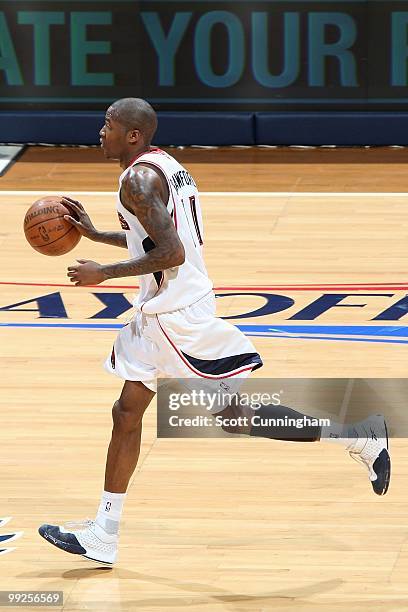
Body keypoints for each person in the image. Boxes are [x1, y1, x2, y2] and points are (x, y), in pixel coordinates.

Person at [38, 98, 391, 566]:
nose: (99, 131)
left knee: (235, 416)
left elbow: (172, 252)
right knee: (126, 412)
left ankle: (358, 436)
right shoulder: (163, 165)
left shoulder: (137, 180)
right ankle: (104, 532)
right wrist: (95, 234)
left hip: (176, 315)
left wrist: (103, 271)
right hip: (161, 311)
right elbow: (155, 237)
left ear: (134, 136)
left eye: (109, 125)